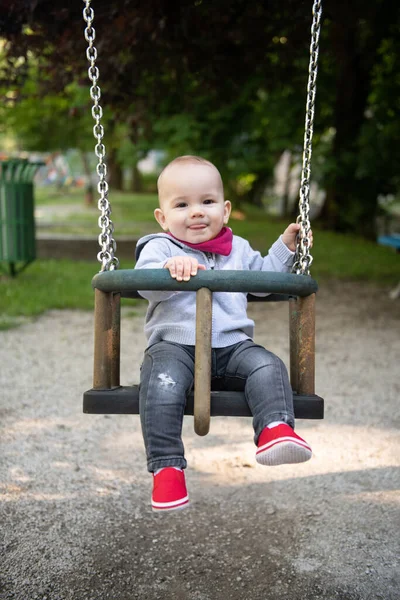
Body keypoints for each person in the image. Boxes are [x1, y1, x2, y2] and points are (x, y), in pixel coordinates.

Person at [135, 155, 313, 512]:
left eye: (208, 202)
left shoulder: (239, 249)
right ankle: (167, 469)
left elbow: (265, 281)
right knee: (161, 384)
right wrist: (168, 269)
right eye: (182, 205)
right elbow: (145, 284)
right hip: (175, 347)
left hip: (233, 347)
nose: (197, 212)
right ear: (163, 217)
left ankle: (274, 430)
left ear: (226, 210)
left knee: (267, 365)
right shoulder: (160, 247)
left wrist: (286, 248)